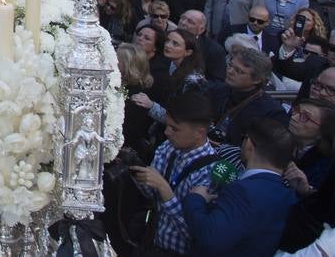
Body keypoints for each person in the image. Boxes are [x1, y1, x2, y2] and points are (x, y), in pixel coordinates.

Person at [181, 119, 299, 257]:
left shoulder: (244, 191)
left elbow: (209, 237)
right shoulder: (289, 194)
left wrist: (196, 198)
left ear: (249, 144)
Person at [127, 92, 221, 256]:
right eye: (167, 125)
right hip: (151, 243)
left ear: (199, 133)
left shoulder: (210, 173)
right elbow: (151, 195)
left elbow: (196, 235)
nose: (167, 132)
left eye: (174, 128)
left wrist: (165, 190)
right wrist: (138, 174)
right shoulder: (168, 148)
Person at [210, 47, 286, 147]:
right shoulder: (216, 91)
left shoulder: (271, 112)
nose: (230, 71)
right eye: (230, 65)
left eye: (238, 71)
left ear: (257, 79)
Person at [283, 98, 335, 196]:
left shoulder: (328, 164)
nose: (294, 117)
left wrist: (307, 190)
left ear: (322, 131)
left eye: (305, 117)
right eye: (296, 110)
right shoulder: (282, 142)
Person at [118, 44, 156, 159]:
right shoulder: (122, 84)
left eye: (117, 59)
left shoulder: (137, 97)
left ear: (128, 64)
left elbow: (128, 132)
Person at [178, 10, 227, 82]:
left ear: (201, 29)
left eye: (190, 22)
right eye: (182, 18)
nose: (183, 23)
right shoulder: (166, 38)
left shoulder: (214, 50)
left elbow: (217, 82)